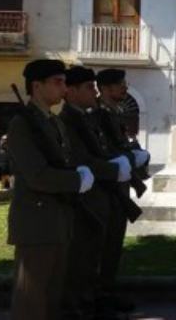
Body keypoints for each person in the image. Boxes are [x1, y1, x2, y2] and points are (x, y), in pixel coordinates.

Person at [7, 59, 95, 320]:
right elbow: (37, 176)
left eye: (65, 82)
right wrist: (76, 181)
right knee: (30, 300)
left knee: (51, 298)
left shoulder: (53, 123)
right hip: (36, 223)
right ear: (37, 85)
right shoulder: (22, 124)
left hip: (59, 221)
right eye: (57, 82)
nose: (64, 88)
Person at [59, 66, 137, 320]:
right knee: (84, 256)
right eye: (88, 88)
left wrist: (127, 162)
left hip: (105, 192)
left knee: (104, 250)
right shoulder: (69, 120)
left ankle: (97, 297)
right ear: (71, 91)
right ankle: (81, 304)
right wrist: (115, 169)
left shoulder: (87, 117)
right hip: (89, 195)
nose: (93, 92)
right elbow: (82, 158)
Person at [93, 68, 150, 314]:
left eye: (124, 84)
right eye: (120, 85)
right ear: (105, 89)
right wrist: (127, 156)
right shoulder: (97, 115)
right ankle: (98, 296)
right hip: (107, 188)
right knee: (103, 247)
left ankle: (107, 291)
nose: (124, 88)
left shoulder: (114, 112)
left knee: (114, 245)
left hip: (120, 186)